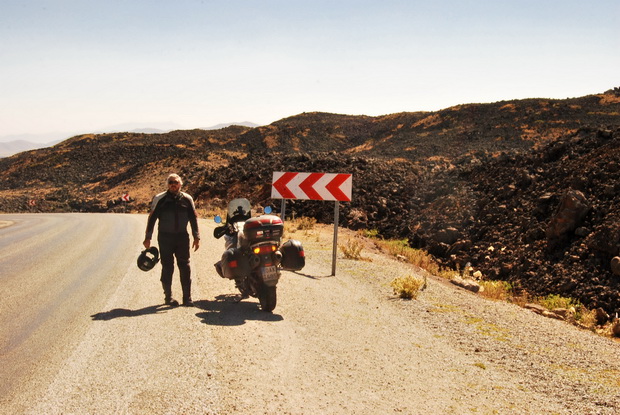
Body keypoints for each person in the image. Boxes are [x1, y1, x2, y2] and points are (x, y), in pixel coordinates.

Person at [143, 173, 200, 307]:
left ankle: (187, 298)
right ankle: (168, 297)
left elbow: (193, 218)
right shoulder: (160, 199)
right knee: (167, 267)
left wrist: (196, 237)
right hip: (165, 238)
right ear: (167, 184)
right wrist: (148, 237)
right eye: (170, 182)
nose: (173, 185)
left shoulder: (187, 199)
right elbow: (152, 219)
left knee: (185, 266)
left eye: (175, 182)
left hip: (182, 237)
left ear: (180, 184)